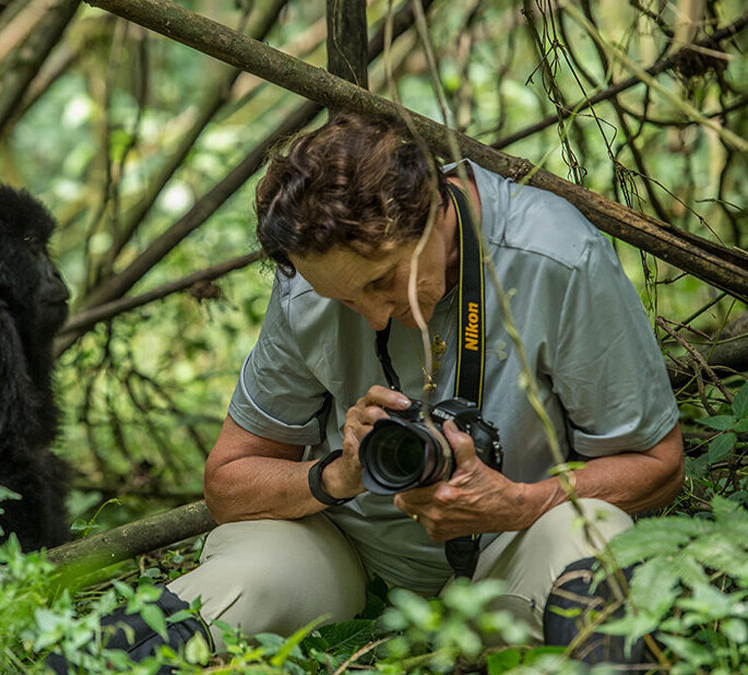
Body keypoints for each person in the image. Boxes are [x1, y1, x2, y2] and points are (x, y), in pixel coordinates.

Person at [88, 112, 685, 668]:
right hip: (353, 555)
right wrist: (335, 475)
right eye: (344, 298)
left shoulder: (554, 256)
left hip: (513, 539)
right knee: (246, 576)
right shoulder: (309, 288)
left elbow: (659, 465)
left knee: (587, 534)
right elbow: (228, 481)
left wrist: (522, 503)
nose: (373, 317)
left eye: (381, 281)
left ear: (434, 212)